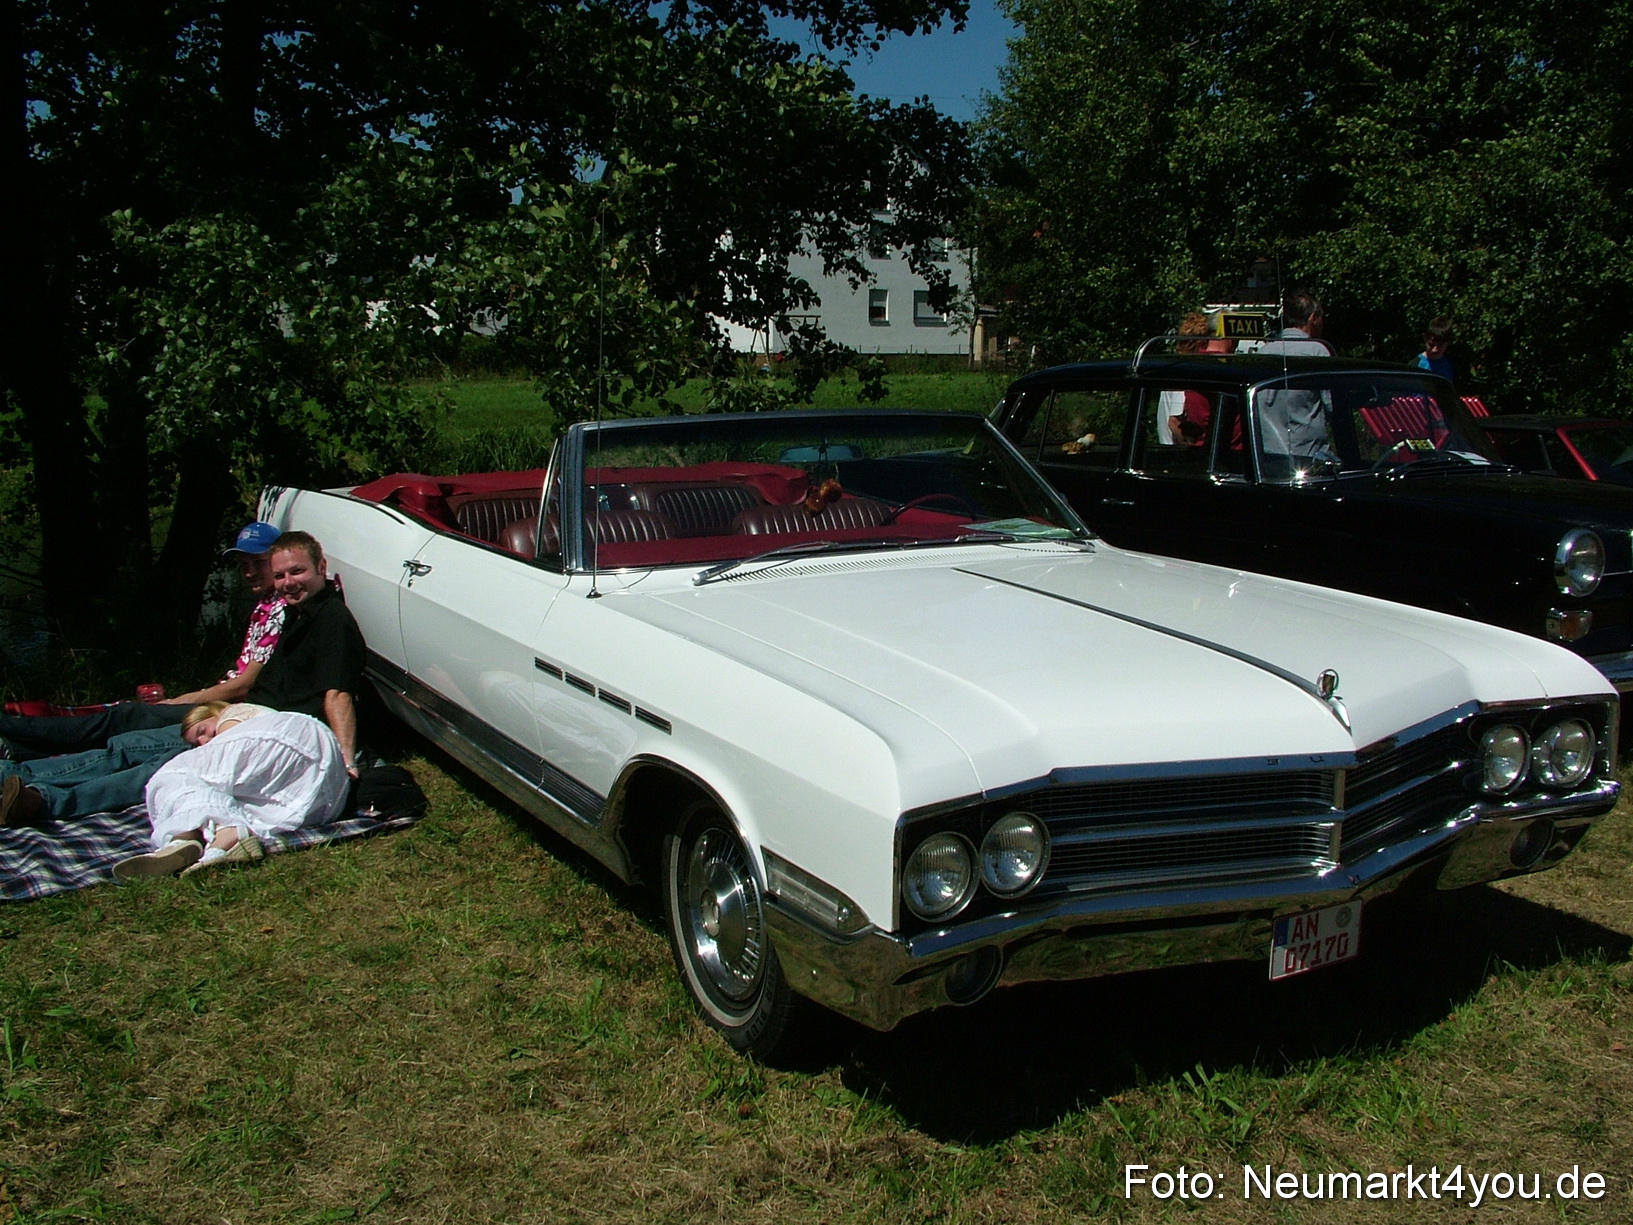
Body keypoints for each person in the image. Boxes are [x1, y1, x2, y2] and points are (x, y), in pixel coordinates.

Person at [0, 522, 288, 759]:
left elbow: (244, 685)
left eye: (258, 563)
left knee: (125, 717)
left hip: (235, 711)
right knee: (123, 719)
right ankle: (14, 747)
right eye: (244, 564)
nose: (249, 571)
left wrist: (177, 702)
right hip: (225, 701)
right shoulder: (265, 604)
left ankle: (13, 730)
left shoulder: (281, 609)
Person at [112, 704, 350, 879]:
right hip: (322, 789)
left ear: (213, 713)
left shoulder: (232, 715)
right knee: (227, 799)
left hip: (289, 738)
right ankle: (217, 845)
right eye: (198, 742)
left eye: (203, 730)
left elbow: (231, 740)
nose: (205, 741)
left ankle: (187, 836)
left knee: (172, 774)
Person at [246, 531, 366, 777]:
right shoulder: (295, 613)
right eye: (279, 576)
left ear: (321, 567)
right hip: (256, 716)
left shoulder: (332, 620)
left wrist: (346, 763)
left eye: (297, 571)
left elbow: (338, 693)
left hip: (282, 732)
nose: (288, 582)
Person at [1257, 289, 1335, 462]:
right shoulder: (1317, 351)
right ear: (1312, 318)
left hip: (1267, 455)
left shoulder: (1264, 352)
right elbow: (1332, 403)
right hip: (1310, 456)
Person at [1413, 316, 1456, 385]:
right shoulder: (1415, 364)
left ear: (1447, 343)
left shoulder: (1450, 364)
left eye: (1440, 346)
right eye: (1431, 345)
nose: (1434, 350)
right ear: (1425, 340)